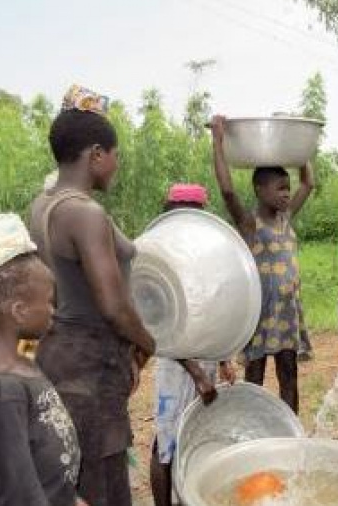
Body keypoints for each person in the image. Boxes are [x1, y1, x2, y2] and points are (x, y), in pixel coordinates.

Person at [28, 85, 156, 506]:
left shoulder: (42, 204)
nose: (117, 164)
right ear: (96, 154)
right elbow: (113, 305)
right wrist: (146, 342)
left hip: (59, 352)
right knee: (102, 484)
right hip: (91, 368)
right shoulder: (85, 213)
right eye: (115, 154)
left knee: (72, 476)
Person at [210, 114, 314, 412]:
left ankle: (290, 435)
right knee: (254, 378)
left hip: (287, 314)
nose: (286, 194)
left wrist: (299, 147)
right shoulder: (250, 224)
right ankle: (254, 430)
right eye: (280, 188)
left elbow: (308, 182)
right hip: (260, 313)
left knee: (289, 376)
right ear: (259, 190)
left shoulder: (286, 216)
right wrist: (217, 141)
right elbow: (228, 191)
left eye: (287, 188)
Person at [0, 214, 86, 506]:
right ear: (19, 311)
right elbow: (18, 495)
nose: (53, 310)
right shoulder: (2, 394)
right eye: (48, 300)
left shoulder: (21, 354)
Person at [150, 184, 237, 506]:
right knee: (165, 445)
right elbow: (164, 329)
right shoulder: (160, 262)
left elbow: (219, 307)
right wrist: (197, 374)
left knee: (195, 434)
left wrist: (225, 357)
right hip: (175, 368)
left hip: (207, 358)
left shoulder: (205, 256)